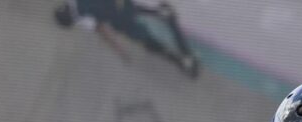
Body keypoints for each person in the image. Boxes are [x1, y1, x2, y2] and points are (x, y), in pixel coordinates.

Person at [53, 0, 199, 78]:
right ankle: (161, 12)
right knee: (132, 8)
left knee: (147, 40)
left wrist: (117, 48)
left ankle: (183, 60)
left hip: (120, 19)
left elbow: (102, 30)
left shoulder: (81, 18)